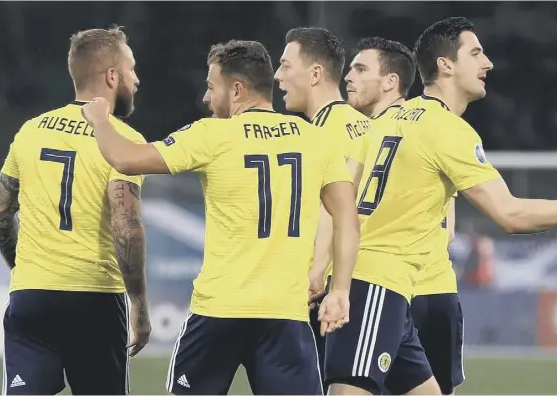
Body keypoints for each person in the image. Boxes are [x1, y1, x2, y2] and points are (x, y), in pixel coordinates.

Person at [335, 15, 557, 395]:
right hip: (375, 284)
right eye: (476, 53)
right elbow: (511, 215)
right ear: (446, 65)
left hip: (394, 288)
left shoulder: (388, 119)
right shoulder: (448, 131)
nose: (487, 63)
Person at [80, 39, 360, 395]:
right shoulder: (316, 140)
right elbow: (347, 219)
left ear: (237, 89)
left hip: (219, 312)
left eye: (212, 87)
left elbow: (125, 159)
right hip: (285, 316)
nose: (206, 99)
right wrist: (340, 291)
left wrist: (101, 121)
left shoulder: (213, 134)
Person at [0, 26, 151, 395]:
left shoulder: (31, 131)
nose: (136, 79)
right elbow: (127, 228)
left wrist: (27, 270)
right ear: (112, 76)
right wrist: (139, 302)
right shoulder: (124, 142)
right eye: (131, 69)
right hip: (94, 300)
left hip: (32, 298)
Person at [345, 36, 464, 395]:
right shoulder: (431, 126)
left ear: (390, 81)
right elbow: (449, 230)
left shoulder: (369, 133)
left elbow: (340, 210)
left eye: (359, 69)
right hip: (436, 287)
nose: (348, 77)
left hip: (386, 286)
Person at [274, 27, 372, 378]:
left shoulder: (320, 136)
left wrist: (315, 272)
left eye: (286, 66)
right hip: (375, 282)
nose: (278, 76)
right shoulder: (365, 125)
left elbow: (335, 211)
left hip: (333, 288)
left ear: (315, 73)